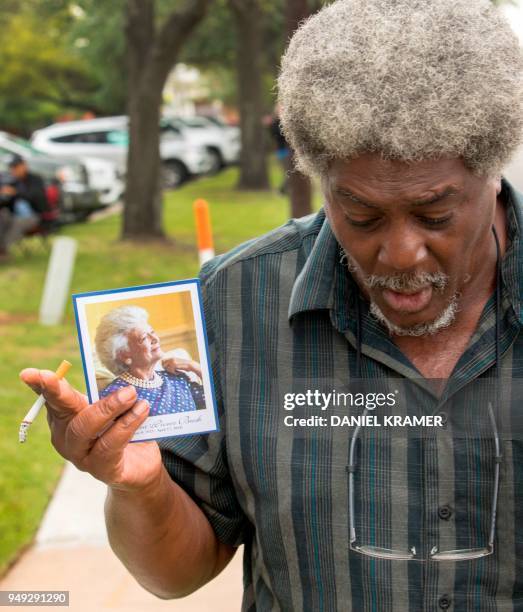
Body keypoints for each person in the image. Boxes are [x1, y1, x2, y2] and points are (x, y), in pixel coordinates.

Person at [20, 0, 523, 609]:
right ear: (316, 175)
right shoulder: (235, 303)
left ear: (492, 173)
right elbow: (175, 573)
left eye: (434, 214)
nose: (399, 253)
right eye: (360, 214)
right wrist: (142, 487)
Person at [95, 305, 205, 415]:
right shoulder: (115, 395)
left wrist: (194, 366)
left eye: (152, 332)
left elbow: (213, 405)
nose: (154, 339)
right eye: (143, 338)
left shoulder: (176, 378)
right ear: (123, 355)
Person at [0, 155, 46, 257]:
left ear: (24, 165)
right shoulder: (10, 181)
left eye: (16, 167)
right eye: (12, 167)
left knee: (17, 223)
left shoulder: (36, 179)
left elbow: (37, 198)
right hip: (13, 214)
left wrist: (16, 193)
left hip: (35, 215)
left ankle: (3, 250)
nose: (14, 170)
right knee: (2, 216)